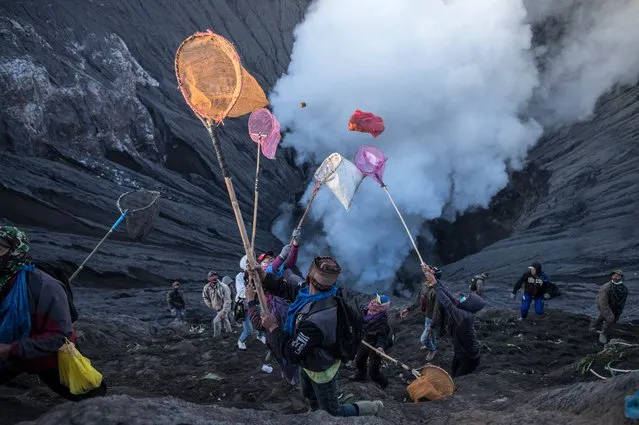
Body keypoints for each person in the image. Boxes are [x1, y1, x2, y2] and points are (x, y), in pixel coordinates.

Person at [252, 256, 383, 417]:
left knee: (333, 411)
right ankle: (314, 412)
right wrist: (264, 276)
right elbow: (287, 289)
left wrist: (273, 327)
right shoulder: (315, 292)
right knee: (308, 393)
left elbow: (291, 352)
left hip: (321, 368)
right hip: (309, 361)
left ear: (309, 277)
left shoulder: (317, 321)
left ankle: (372, 408)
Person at [0, 226, 107, 400]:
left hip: (46, 355)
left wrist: (11, 349)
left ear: (16, 252)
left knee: (92, 398)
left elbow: (59, 335)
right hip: (7, 351)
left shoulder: (45, 286)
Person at [433, 269, 483, 378]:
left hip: (469, 358)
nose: (463, 298)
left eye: (467, 298)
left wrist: (434, 284)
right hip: (459, 352)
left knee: (458, 378)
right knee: (453, 373)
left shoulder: (464, 317)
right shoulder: (464, 309)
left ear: (470, 305)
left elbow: (448, 304)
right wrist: (434, 278)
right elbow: (448, 295)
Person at [400, 265, 441, 361]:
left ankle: (432, 350)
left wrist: (432, 325)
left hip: (432, 317)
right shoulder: (425, 285)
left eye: (430, 273)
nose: (427, 274)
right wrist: (408, 309)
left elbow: (437, 310)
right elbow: (419, 300)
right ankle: (432, 345)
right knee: (432, 334)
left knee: (424, 339)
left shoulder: (437, 291)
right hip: (427, 315)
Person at [351, 294, 392, 388]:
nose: (374, 303)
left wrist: (380, 347)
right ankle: (361, 375)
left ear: (382, 308)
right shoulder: (364, 310)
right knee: (359, 361)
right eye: (375, 300)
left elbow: (382, 337)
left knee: (373, 371)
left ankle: (384, 383)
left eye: (378, 303)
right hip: (365, 341)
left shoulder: (382, 322)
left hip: (375, 346)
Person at [589, 270, 628, 344]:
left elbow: (623, 300)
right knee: (609, 318)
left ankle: (592, 327)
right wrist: (607, 312)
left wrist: (620, 309)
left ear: (621, 277)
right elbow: (602, 301)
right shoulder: (606, 287)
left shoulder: (624, 288)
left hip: (616, 307)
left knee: (604, 317)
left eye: (618, 275)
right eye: (614, 275)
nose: (615, 277)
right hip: (605, 305)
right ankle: (603, 333)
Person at [202, 271, 232, 337]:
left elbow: (227, 300)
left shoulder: (223, 287)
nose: (214, 277)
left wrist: (224, 311)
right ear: (208, 278)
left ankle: (216, 337)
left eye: (215, 276)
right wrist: (211, 306)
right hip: (217, 307)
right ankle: (230, 333)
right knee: (225, 319)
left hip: (225, 306)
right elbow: (205, 297)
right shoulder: (206, 287)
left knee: (216, 321)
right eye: (212, 276)